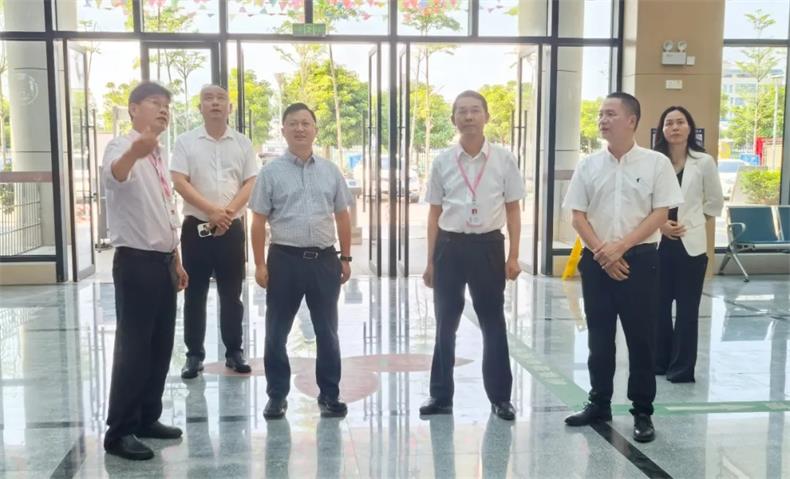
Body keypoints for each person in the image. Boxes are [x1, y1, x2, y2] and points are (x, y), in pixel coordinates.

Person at [562, 92, 683, 443]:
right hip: (597, 261)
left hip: (640, 261)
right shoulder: (588, 165)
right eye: (601, 114)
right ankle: (598, 402)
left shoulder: (656, 164)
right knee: (599, 339)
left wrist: (621, 247)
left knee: (641, 339)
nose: (603, 119)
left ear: (631, 120)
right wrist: (604, 252)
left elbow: (660, 214)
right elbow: (577, 216)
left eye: (610, 114)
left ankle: (642, 411)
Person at [420, 90, 524, 421]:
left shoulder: (504, 159)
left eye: (475, 110)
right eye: (462, 111)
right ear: (453, 119)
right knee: (445, 322)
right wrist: (430, 261)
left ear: (486, 117)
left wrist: (513, 256)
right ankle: (440, 396)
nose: (468, 116)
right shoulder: (442, 161)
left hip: (488, 246)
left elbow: (513, 210)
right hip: (449, 247)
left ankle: (500, 397)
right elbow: (434, 213)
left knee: (493, 322)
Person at [101, 81, 189, 460]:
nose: (163, 109)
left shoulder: (157, 155)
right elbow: (115, 175)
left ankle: (147, 417)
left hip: (163, 262)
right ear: (134, 108)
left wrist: (176, 258)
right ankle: (119, 431)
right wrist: (135, 150)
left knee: (160, 345)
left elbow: (166, 211)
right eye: (155, 102)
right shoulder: (122, 146)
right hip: (135, 263)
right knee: (133, 348)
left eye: (167, 104)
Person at [249, 103, 353, 420]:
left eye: (306, 123)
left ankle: (330, 394)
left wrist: (346, 257)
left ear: (315, 129)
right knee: (276, 332)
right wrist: (259, 264)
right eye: (293, 123)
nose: (300, 128)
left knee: (328, 332)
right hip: (284, 260)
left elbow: (343, 215)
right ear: (283, 130)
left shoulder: (331, 171)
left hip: (324, 260)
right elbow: (257, 221)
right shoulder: (270, 173)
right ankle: (276, 396)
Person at [170, 84, 257, 378]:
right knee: (194, 294)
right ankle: (194, 355)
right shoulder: (185, 142)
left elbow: (250, 182)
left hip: (231, 229)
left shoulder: (243, 143)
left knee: (232, 294)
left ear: (230, 107)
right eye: (208, 98)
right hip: (196, 228)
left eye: (221, 98)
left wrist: (226, 214)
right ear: (200, 107)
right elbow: (179, 181)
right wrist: (212, 212)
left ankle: (234, 351)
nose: (215, 103)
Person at [652, 106, 723, 383]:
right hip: (658, 244)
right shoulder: (654, 161)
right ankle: (659, 362)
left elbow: (714, 202)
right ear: (662, 129)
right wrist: (661, 225)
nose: (675, 127)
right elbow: (644, 201)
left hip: (690, 246)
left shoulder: (704, 162)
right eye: (669, 123)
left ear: (689, 127)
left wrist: (692, 222)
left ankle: (681, 369)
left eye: (680, 122)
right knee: (658, 307)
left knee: (687, 311)